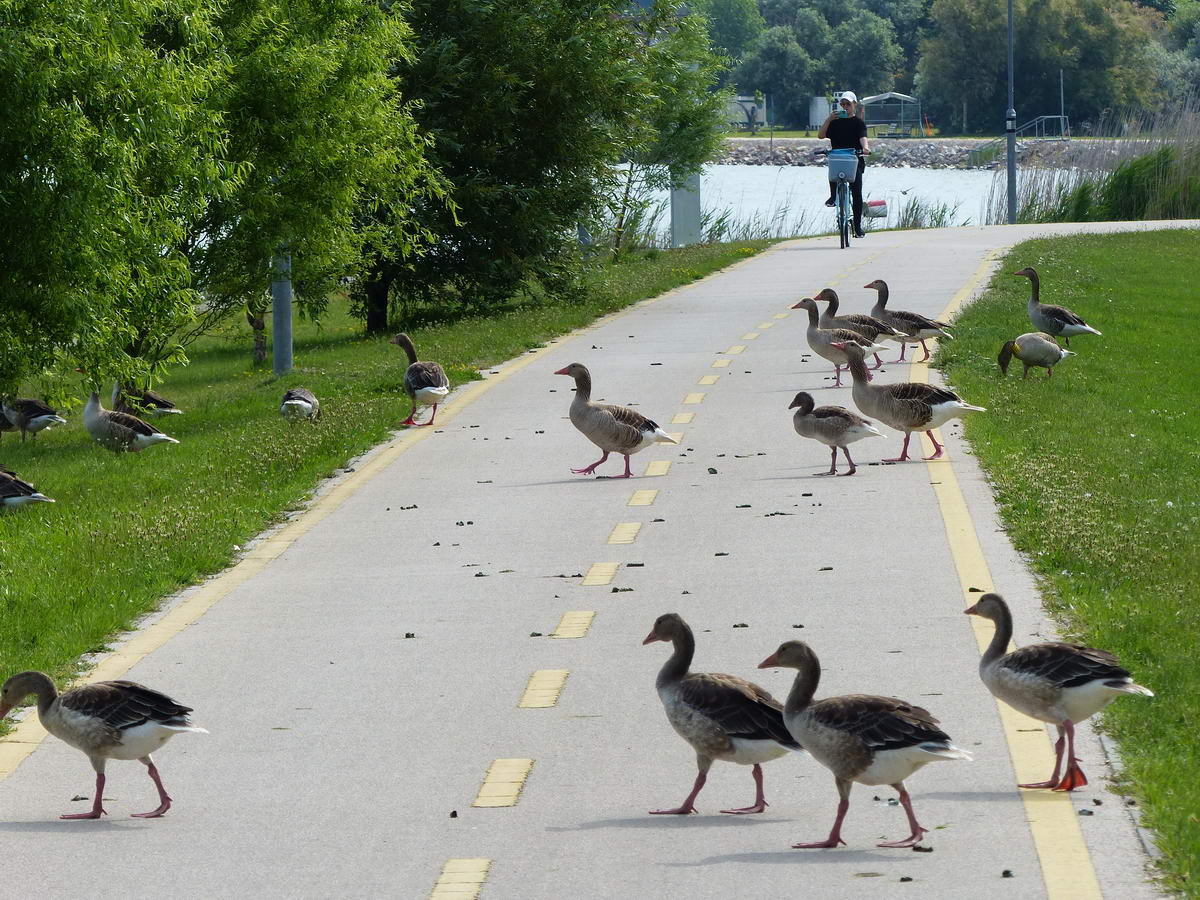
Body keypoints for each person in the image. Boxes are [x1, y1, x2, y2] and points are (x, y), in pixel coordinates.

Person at [818, 91, 870, 238]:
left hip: (854, 160)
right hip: (838, 159)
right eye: (843, 104)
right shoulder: (834, 122)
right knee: (833, 170)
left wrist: (865, 148)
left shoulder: (858, 123)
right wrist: (828, 120)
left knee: (857, 193)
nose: (845, 107)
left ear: (855, 105)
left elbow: (863, 137)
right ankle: (833, 196)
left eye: (848, 104)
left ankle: (857, 227)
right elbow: (821, 135)